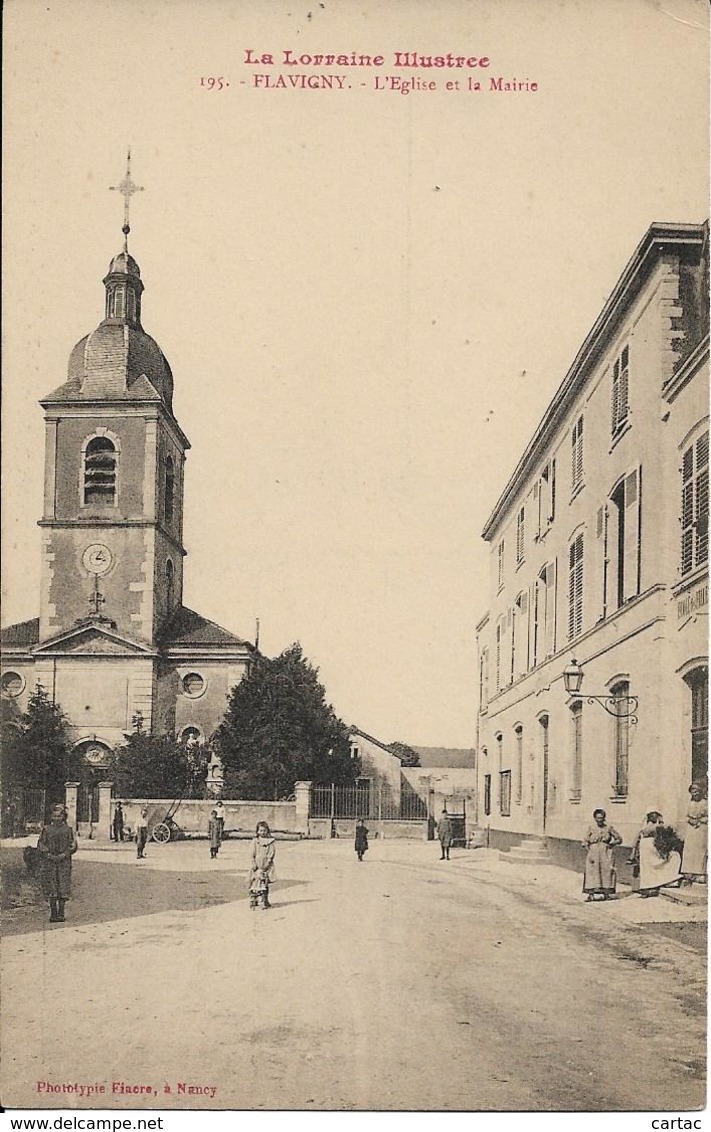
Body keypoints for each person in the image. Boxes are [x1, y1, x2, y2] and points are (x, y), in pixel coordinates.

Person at [37, 804, 78, 923]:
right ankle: (53, 913)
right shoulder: (46, 829)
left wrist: (65, 854)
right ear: (51, 817)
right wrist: (47, 854)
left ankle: (61, 912)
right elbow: (41, 844)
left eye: (59, 816)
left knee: (63, 886)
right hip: (49, 862)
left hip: (64, 863)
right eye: (54, 816)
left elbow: (73, 845)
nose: (56, 818)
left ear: (63, 817)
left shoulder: (68, 830)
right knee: (52, 886)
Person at [629, 809, 682, 897]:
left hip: (644, 847)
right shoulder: (655, 826)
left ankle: (648, 886)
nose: (661, 822)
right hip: (651, 846)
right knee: (673, 857)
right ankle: (667, 880)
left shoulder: (644, 827)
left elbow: (635, 840)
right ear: (656, 819)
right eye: (660, 820)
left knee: (647, 868)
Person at [582, 808, 622, 901]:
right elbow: (585, 841)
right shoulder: (591, 828)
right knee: (592, 872)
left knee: (606, 871)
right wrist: (589, 852)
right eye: (597, 818)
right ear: (595, 818)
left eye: (601, 818)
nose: (599, 820)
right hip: (593, 852)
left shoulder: (608, 828)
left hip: (605, 852)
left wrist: (612, 844)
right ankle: (591, 894)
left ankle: (607, 893)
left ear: (604, 818)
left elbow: (619, 839)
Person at [681, 781, 708, 885]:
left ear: (700, 792)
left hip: (701, 829)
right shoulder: (689, 803)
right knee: (689, 849)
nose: (695, 793)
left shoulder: (705, 803)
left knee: (700, 850)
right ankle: (689, 874)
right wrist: (690, 820)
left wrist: (700, 821)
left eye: (696, 791)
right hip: (691, 829)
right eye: (692, 791)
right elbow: (686, 816)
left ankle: (700, 874)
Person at [248, 821, 276, 909]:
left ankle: (264, 900)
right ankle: (253, 899)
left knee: (264, 882)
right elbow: (251, 853)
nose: (262, 832)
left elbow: (272, 852)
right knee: (254, 882)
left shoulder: (270, 842)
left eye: (264, 831)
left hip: (266, 864)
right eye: (260, 831)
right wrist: (253, 862)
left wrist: (269, 860)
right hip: (256, 864)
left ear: (267, 831)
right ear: (257, 831)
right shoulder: (255, 842)